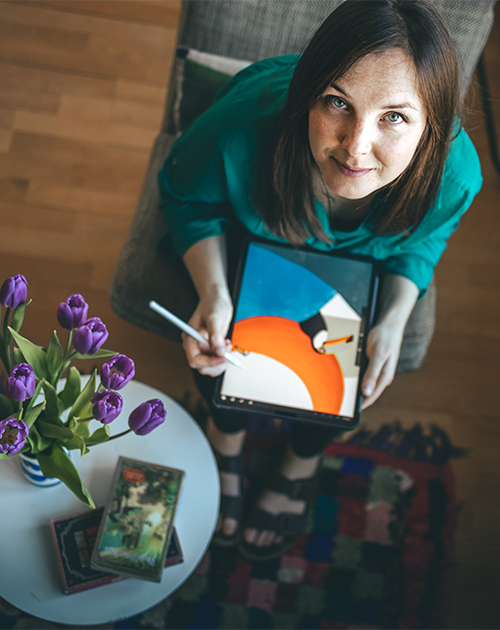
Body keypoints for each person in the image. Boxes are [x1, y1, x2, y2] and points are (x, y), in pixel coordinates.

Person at [157, 0, 482, 561]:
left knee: (342, 380)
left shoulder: (454, 174)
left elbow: (424, 243)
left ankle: (300, 459)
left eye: (395, 117)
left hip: (359, 274)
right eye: (338, 103)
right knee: (226, 349)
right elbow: (187, 198)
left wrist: (394, 318)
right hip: (251, 243)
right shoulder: (241, 128)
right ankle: (225, 438)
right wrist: (212, 290)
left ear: (431, 124)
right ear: (308, 92)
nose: (355, 148)